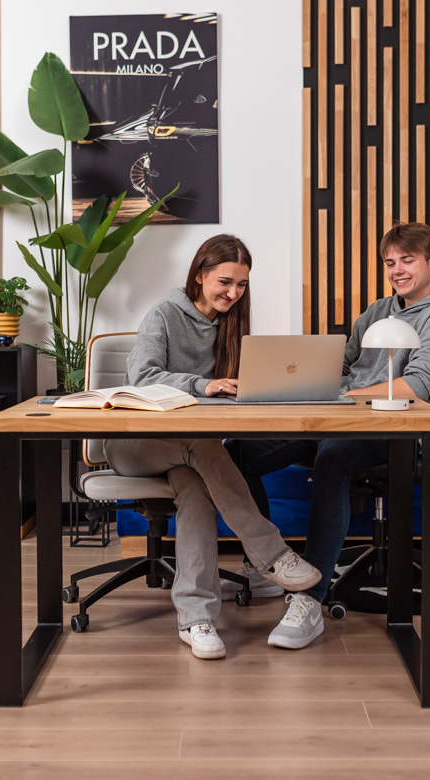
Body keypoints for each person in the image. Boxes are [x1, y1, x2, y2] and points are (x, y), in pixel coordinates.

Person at [227, 222, 430, 650]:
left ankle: (309, 601)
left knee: (332, 459)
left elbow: (420, 385)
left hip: (390, 428)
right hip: (335, 416)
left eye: (407, 260)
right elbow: (341, 367)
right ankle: (265, 565)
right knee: (236, 453)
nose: (397, 270)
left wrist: (349, 395)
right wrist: (305, 386)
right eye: (390, 262)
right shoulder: (378, 312)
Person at [102, 234, 322, 661]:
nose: (233, 293)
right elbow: (141, 379)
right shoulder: (164, 315)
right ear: (200, 275)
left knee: (195, 487)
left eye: (241, 285)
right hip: (133, 444)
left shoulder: (232, 324)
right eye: (225, 282)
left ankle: (195, 620)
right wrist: (204, 384)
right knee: (201, 448)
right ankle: (271, 554)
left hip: (186, 451)